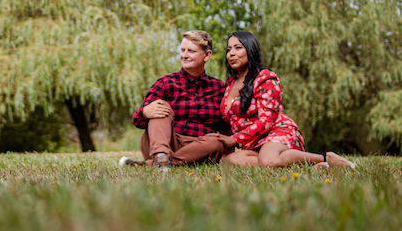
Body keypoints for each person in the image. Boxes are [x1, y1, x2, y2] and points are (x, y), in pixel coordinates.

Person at [206, 31, 356, 169]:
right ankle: (311, 167)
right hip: (252, 144)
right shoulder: (230, 84)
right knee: (231, 161)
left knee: (268, 160)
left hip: (276, 133)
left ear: (250, 50)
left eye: (237, 48)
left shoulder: (265, 78)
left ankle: (326, 157)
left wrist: (235, 139)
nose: (231, 53)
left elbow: (267, 120)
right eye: (228, 49)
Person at [121, 30, 228, 171]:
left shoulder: (219, 87)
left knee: (217, 142)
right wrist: (145, 112)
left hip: (200, 147)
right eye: (182, 50)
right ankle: (161, 156)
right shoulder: (166, 82)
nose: (184, 55)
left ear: (207, 55)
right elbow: (138, 121)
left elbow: (226, 125)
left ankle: (158, 163)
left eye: (191, 51)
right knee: (160, 106)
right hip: (166, 142)